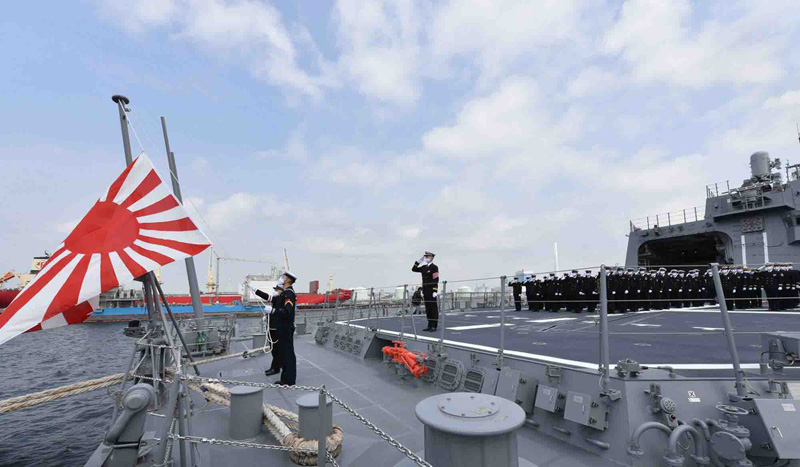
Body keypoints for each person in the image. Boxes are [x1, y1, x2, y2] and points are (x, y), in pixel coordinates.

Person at [262, 272, 298, 385]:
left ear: (288, 280)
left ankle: (289, 380)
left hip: (285, 328)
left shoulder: (289, 294)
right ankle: (286, 378)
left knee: (287, 354)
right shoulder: (284, 294)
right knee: (283, 353)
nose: (281, 279)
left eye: (283, 277)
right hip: (282, 328)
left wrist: (273, 311)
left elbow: (287, 311)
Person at [255, 285, 284, 377]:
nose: (275, 291)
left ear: (281, 291)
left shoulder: (281, 299)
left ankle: (275, 368)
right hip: (271, 327)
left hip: (276, 328)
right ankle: (275, 366)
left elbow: (280, 312)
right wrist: (255, 289)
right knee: (273, 349)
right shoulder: (276, 299)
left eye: (276, 290)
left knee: (276, 350)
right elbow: (266, 296)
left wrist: (272, 312)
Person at [412, 251, 439, 331]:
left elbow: (436, 279)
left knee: (433, 308)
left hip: (432, 291)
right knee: (428, 309)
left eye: (428, 257)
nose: (426, 258)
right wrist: (418, 262)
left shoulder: (434, 267)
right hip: (425, 291)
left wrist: (435, 291)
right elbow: (414, 269)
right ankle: (429, 325)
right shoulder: (424, 267)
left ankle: (434, 326)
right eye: (425, 257)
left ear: (432, 258)